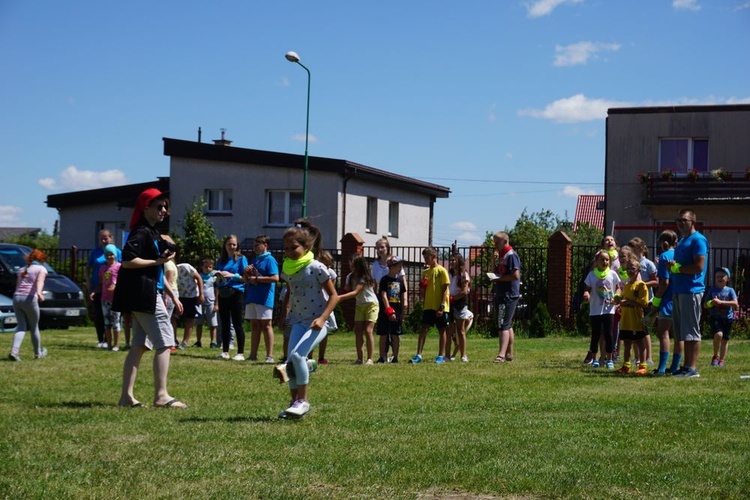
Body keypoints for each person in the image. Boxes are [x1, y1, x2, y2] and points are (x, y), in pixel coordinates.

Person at [112, 188, 186, 408]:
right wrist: (156, 262)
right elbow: (127, 261)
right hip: (144, 295)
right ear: (145, 208)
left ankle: (126, 397)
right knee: (165, 342)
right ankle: (161, 396)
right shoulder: (141, 231)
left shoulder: (151, 231)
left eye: (165, 207)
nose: (163, 210)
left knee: (139, 345)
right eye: (158, 206)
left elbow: (162, 254)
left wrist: (166, 252)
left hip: (145, 293)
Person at [275, 223, 338, 418]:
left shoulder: (316, 268)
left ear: (306, 247)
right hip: (298, 321)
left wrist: (322, 319)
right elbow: (290, 293)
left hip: (317, 322)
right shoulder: (288, 269)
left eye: (293, 247)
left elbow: (334, 296)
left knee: (297, 357)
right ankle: (293, 404)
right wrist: (284, 314)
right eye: (286, 248)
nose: (289, 252)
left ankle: (303, 401)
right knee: (291, 361)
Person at [668, 208, 708, 378]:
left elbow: (699, 266)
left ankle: (692, 368)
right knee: (682, 332)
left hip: (691, 290)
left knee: (691, 331)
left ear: (693, 222)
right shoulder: (683, 240)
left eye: (684, 220)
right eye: (678, 220)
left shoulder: (698, 240)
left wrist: (679, 269)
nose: (680, 223)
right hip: (679, 290)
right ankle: (685, 366)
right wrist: (674, 267)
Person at [410, 247, 450, 364]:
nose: (426, 260)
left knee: (442, 330)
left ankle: (440, 356)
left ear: (434, 257)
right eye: (424, 258)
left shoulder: (442, 271)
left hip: (440, 306)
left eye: (427, 257)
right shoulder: (425, 272)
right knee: (424, 329)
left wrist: (442, 306)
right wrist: (422, 286)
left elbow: (444, 290)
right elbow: (423, 290)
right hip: (428, 305)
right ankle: (418, 354)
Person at [582, 250, 620, 370]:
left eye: (607, 260)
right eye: (602, 259)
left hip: (609, 309)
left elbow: (618, 288)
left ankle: (609, 359)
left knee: (609, 334)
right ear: (596, 262)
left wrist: (617, 296)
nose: (604, 262)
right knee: (596, 334)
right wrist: (586, 294)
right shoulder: (592, 275)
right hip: (595, 309)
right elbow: (587, 289)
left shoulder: (613, 274)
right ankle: (594, 359)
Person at [8, 249, 48, 361]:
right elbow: (40, 282)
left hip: (17, 298)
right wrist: (39, 293)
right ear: (41, 259)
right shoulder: (41, 269)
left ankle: (14, 351)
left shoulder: (22, 269)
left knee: (21, 326)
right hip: (29, 299)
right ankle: (38, 353)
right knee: (34, 327)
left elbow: (17, 286)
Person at [244, 235, 279, 364]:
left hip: (264, 297)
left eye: (258, 244)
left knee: (266, 325)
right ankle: (253, 354)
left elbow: (275, 278)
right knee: (254, 325)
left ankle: (269, 356)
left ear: (265, 245)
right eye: (254, 244)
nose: (255, 247)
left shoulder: (270, 260)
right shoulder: (254, 260)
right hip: (253, 296)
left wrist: (258, 279)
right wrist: (247, 273)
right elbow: (248, 278)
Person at [339, 255, 379, 365]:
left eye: (353, 264)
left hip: (371, 304)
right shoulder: (350, 277)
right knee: (358, 331)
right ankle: (359, 358)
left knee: (368, 330)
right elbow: (346, 289)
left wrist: (340, 298)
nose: (350, 266)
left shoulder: (364, 278)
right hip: (360, 305)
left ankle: (370, 359)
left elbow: (355, 292)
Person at [651, 230, 681, 376]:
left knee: (663, 332)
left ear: (662, 243)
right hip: (681, 297)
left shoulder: (664, 256)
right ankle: (675, 366)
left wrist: (657, 299)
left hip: (668, 298)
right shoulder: (680, 255)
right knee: (678, 334)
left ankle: (662, 368)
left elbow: (664, 282)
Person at [614, 259, 650, 375]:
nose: (630, 271)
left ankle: (643, 365)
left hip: (636, 319)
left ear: (638, 270)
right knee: (627, 342)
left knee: (639, 342)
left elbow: (644, 303)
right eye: (628, 268)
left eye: (633, 268)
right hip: (626, 319)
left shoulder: (641, 285)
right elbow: (624, 299)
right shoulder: (627, 285)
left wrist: (629, 302)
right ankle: (626, 365)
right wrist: (619, 303)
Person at [215, 235, 248, 361]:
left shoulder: (241, 259)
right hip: (223, 292)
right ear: (225, 245)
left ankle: (240, 353)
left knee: (237, 323)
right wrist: (218, 276)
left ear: (237, 246)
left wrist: (232, 275)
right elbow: (217, 279)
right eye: (229, 244)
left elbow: (245, 278)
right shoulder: (221, 260)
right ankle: (225, 351)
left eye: (234, 244)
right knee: (225, 323)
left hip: (236, 293)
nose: (231, 247)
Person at [87, 229, 122, 349]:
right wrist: (89, 282)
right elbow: (88, 267)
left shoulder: (117, 252)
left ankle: (112, 342)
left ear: (111, 238)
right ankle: (101, 340)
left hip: (114, 291)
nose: (103, 240)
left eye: (106, 238)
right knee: (99, 315)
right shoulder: (95, 252)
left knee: (114, 318)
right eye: (101, 238)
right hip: (99, 287)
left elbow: (122, 271)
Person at [490, 231, 521, 363]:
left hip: (509, 294)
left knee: (503, 323)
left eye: (497, 242)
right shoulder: (502, 256)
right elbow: (496, 272)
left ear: (505, 241)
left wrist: (500, 279)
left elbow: (515, 275)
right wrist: (493, 262)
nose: (495, 245)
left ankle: (501, 355)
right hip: (502, 293)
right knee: (507, 324)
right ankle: (509, 353)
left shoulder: (511, 255)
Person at [628, 237, 658, 365]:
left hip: (646, 301)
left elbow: (656, 281)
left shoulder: (648, 264)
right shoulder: (631, 264)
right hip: (634, 301)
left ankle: (649, 357)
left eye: (633, 249)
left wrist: (643, 285)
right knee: (635, 329)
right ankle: (638, 357)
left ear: (641, 249)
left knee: (645, 330)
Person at [704, 267, 738, 368]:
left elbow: (735, 303)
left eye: (722, 276)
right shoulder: (712, 290)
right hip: (716, 317)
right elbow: (705, 305)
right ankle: (715, 356)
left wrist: (721, 302)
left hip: (728, 318)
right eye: (717, 276)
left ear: (727, 278)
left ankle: (722, 360)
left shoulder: (730, 291)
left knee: (725, 339)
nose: (719, 278)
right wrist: (711, 303)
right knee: (718, 334)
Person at [377, 256, 407, 363]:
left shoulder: (400, 281)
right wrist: (388, 309)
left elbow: (403, 296)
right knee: (384, 334)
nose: (400, 268)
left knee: (395, 334)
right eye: (399, 266)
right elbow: (384, 295)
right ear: (392, 267)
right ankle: (382, 356)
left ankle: (395, 356)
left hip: (397, 310)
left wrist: (403, 311)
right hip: (386, 311)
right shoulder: (384, 280)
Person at [97, 244, 122, 351]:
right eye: (107, 254)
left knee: (115, 322)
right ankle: (109, 344)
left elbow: (122, 281)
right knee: (107, 322)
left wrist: (115, 285)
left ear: (115, 255)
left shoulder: (119, 267)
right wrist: (94, 292)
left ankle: (116, 345)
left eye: (111, 254)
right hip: (104, 298)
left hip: (115, 298)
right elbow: (101, 282)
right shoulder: (102, 268)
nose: (109, 257)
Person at [315, 250, 338, 364]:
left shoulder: (331, 273)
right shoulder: (316, 270)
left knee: (323, 330)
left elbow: (331, 290)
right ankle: (308, 356)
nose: (327, 266)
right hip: (315, 300)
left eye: (329, 264)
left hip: (325, 301)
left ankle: (321, 357)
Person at [449, 253, 472, 362]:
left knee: (460, 329)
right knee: (449, 330)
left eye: (454, 260)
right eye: (451, 260)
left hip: (460, 304)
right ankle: (447, 355)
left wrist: (453, 298)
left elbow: (464, 292)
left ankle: (463, 355)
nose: (452, 262)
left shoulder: (464, 275)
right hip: (449, 303)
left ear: (459, 262)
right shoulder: (450, 274)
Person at [176, 261, 204, 349]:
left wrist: (201, 294)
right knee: (174, 317)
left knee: (190, 318)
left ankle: (185, 342)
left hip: (191, 295)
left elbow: (199, 278)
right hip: (178, 296)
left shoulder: (185, 266)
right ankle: (173, 340)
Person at [195, 257, 219, 348]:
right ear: (202, 267)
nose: (208, 268)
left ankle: (213, 341)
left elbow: (217, 291)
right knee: (199, 323)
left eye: (210, 267)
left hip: (211, 302)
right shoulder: (199, 276)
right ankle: (198, 341)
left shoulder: (214, 278)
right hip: (200, 302)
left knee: (213, 324)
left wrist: (216, 304)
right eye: (206, 267)